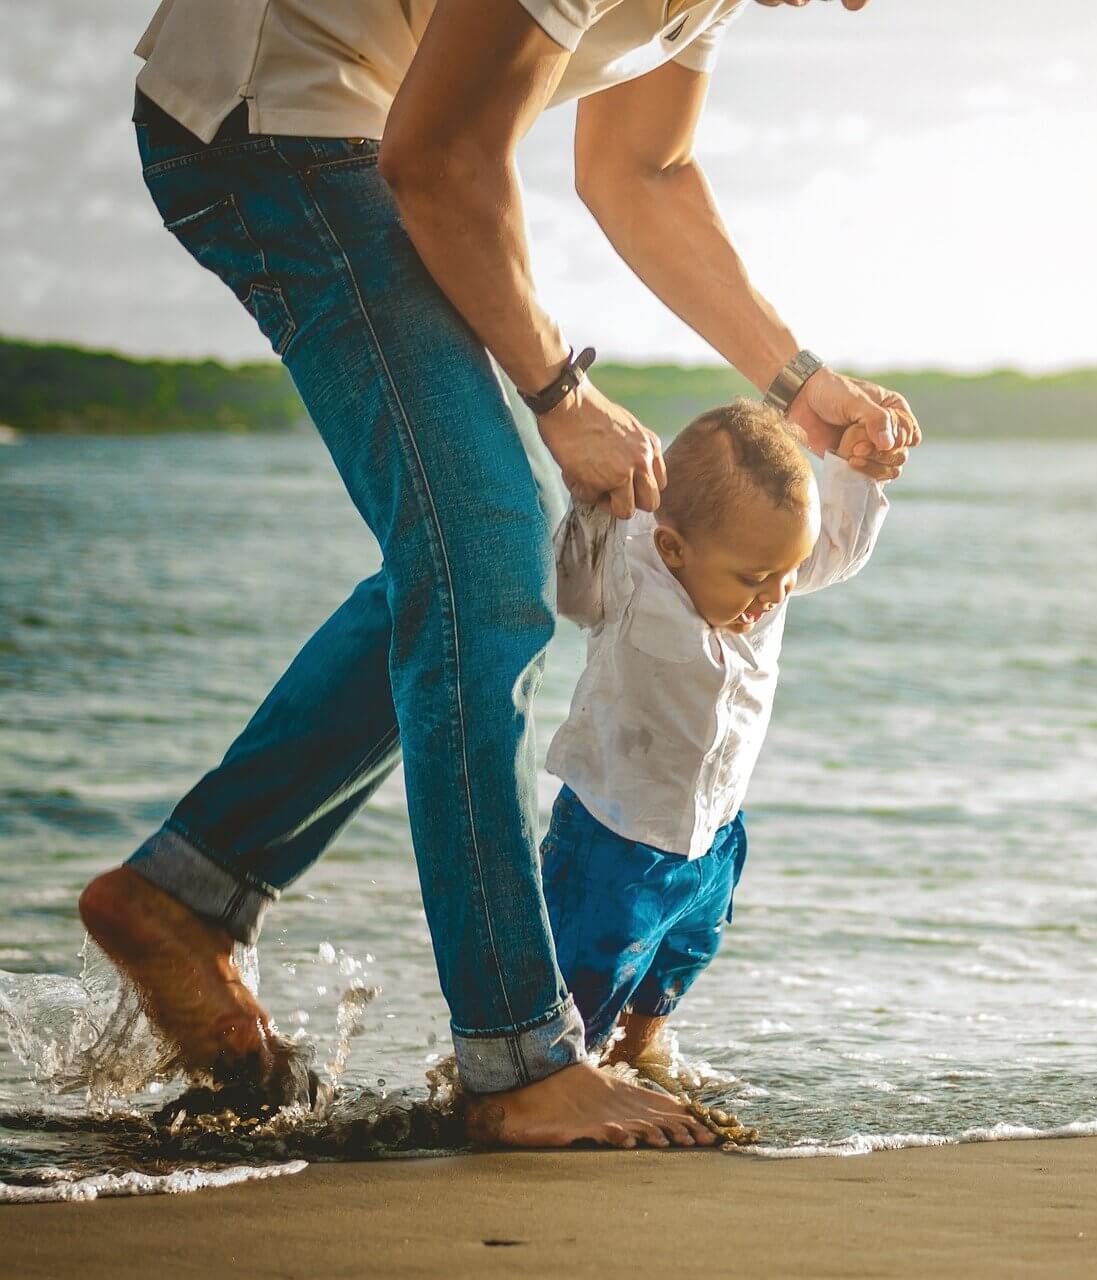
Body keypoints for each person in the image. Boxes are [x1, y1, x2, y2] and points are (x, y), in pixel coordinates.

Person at [78, 0, 920, 1151]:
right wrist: (561, 397)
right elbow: (439, 156)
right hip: (274, 123)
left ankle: (188, 891)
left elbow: (646, 168)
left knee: (477, 560)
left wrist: (797, 379)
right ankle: (517, 1056)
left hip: (357, 129)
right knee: (486, 551)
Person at [539, 400, 908, 1102]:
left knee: (684, 955)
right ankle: (558, 1083)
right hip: (614, 839)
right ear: (675, 548)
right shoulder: (630, 569)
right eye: (754, 580)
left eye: (787, 576)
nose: (774, 598)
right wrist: (590, 502)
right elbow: (566, 583)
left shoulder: (768, 565)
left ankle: (641, 1057)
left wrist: (858, 472)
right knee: (583, 979)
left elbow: (836, 543)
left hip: (714, 836)